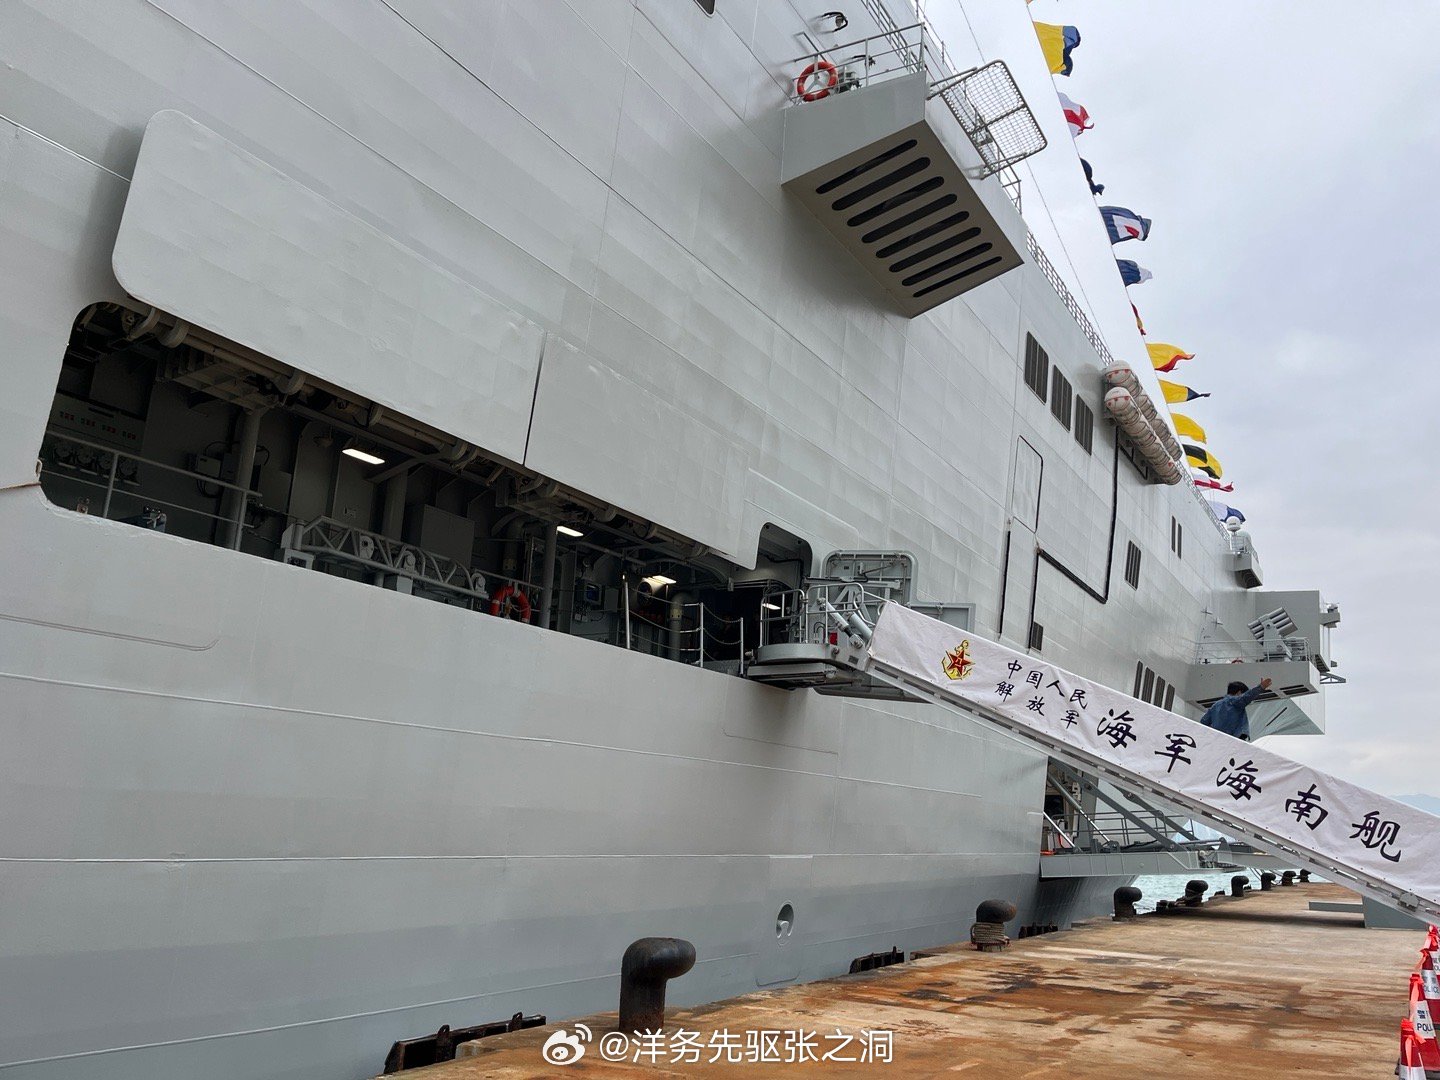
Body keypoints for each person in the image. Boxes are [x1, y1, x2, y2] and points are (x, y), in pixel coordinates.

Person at [1199, 678, 1272, 741]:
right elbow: (1247, 697)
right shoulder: (1236, 702)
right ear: (1239, 693)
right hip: (1234, 740)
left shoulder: (1216, 705)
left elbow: (1203, 722)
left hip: (1217, 739)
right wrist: (1261, 687)